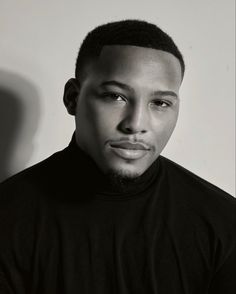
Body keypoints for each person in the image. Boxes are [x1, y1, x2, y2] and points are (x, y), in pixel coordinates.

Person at [0, 19, 235, 294]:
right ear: (72, 98)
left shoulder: (223, 224)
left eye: (160, 103)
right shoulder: (8, 216)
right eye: (115, 96)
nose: (136, 124)